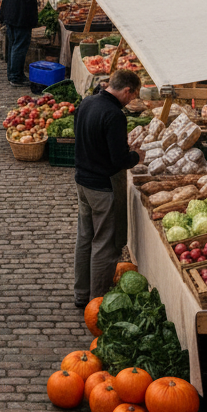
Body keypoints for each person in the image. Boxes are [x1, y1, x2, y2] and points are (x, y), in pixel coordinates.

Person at [72, 69, 143, 306]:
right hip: (103, 187)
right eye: (133, 96)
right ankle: (98, 299)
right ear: (126, 90)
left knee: (85, 238)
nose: (132, 100)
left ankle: (81, 294)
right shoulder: (114, 115)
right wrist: (135, 156)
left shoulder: (87, 103)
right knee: (105, 244)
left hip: (83, 181)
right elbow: (118, 161)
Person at [0, 0, 43, 86]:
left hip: (10, 12)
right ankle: (16, 77)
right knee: (20, 45)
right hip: (22, 15)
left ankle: (11, 74)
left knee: (13, 44)